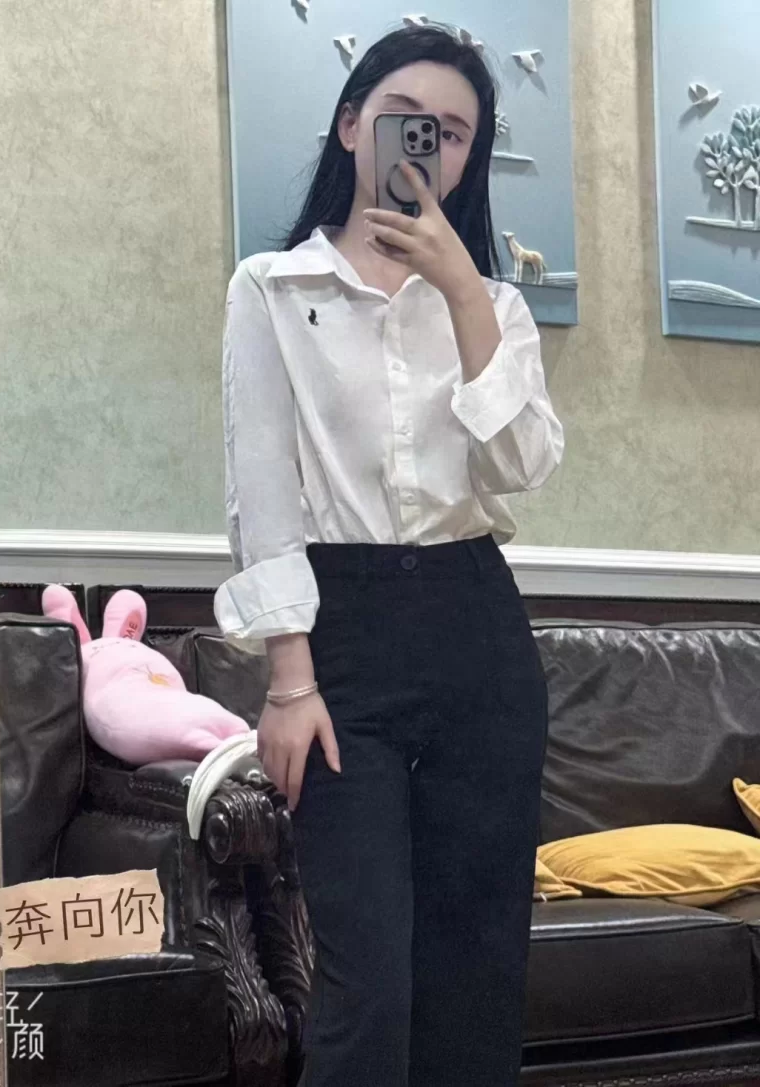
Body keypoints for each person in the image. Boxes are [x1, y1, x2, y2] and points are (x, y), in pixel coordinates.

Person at [215, 23, 564, 1087]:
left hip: (477, 631)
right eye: (406, 117)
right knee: (365, 987)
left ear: (469, 158)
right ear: (350, 124)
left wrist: (462, 289)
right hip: (343, 638)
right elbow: (263, 493)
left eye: (454, 133)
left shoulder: (496, 306)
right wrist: (288, 680)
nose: (429, 143)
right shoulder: (272, 289)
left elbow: (522, 464)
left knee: (476, 971)